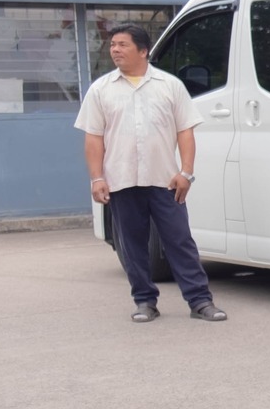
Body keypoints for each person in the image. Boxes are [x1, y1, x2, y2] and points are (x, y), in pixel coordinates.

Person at [75, 23, 226, 322]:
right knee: (131, 244)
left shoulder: (169, 86)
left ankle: (200, 301)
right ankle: (144, 301)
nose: (115, 49)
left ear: (143, 51)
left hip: (166, 180)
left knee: (180, 240)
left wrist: (187, 172)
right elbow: (93, 137)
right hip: (121, 180)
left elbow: (185, 131)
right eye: (113, 45)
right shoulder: (101, 90)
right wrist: (97, 177)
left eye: (122, 44)